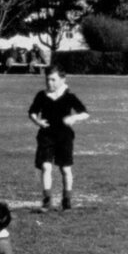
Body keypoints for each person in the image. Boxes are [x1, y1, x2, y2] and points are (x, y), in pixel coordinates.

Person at [27, 66, 89, 211]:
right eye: (47, 79)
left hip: (64, 137)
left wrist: (74, 118)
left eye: (53, 80)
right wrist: (37, 122)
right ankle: (47, 200)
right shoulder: (42, 95)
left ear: (63, 80)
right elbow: (32, 112)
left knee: (65, 169)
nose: (49, 83)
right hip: (46, 135)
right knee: (45, 166)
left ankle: (66, 200)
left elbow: (85, 113)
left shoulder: (69, 97)